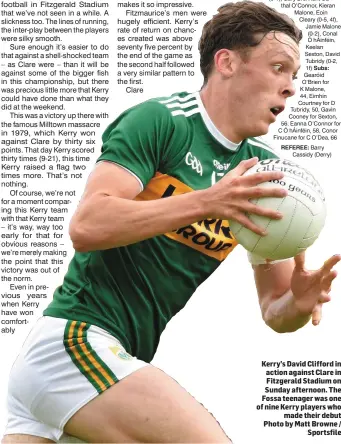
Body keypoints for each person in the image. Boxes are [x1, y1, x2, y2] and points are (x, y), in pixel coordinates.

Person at [3, 1, 340, 443]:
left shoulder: (265, 175)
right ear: (227, 62)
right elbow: (88, 225)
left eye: (295, 76)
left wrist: (295, 304)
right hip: (74, 345)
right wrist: (206, 202)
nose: (291, 88)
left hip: (105, 368)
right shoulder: (162, 121)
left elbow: (273, 311)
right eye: (279, 67)